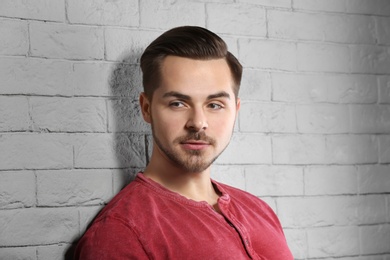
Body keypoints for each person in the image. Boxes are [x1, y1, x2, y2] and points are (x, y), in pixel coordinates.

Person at [74, 26, 293, 260]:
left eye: (215, 105)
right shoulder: (122, 232)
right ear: (146, 108)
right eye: (178, 103)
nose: (198, 123)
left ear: (235, 111)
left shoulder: (259, 210)